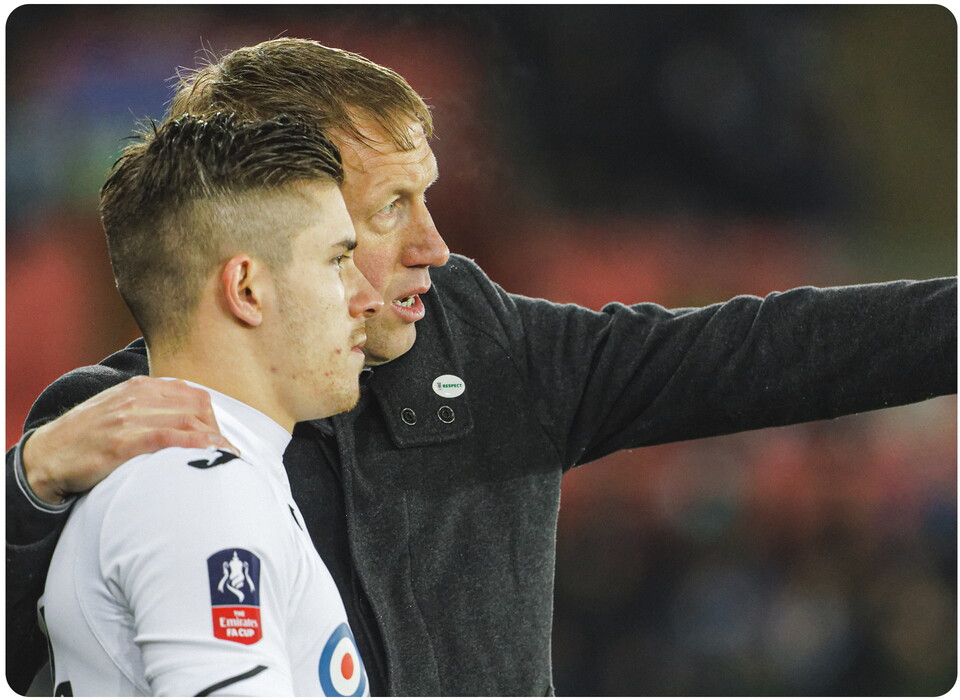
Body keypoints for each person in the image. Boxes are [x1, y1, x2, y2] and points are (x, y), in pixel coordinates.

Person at [7, 38, 956, 696]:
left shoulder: (492, 350)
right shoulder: (126, 437)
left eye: (431, 198)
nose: (437, 246)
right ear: (276, 226)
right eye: (386, 214)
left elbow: (764, 353)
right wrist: (25, 491)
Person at [35, 111, 382, 695]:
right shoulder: (199, 489)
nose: (367, 296)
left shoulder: (209, 477)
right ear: (245, 289)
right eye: (337, 260)